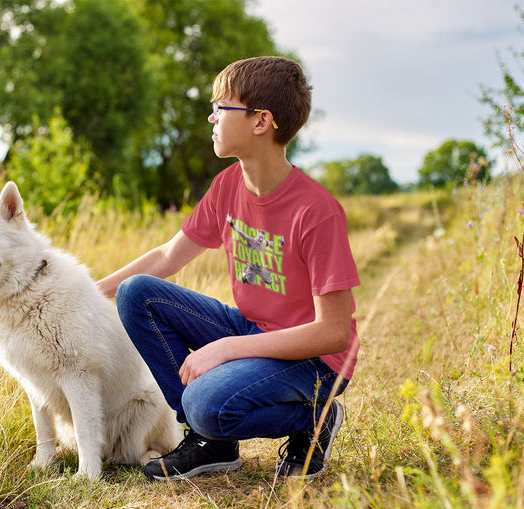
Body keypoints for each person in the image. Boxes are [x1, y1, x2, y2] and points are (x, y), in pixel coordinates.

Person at [96, 56, 360, 481]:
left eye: (222, 107)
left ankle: (314, 419)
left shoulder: (317, 211)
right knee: (136, 292)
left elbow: (333, 332)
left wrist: (226, 349)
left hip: (315, 361)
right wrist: (90, 293)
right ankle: (210, 443)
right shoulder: (228, 185)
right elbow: (167, 256)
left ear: (261, 121)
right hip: (254, 328)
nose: (211, 117)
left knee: (203, 402)